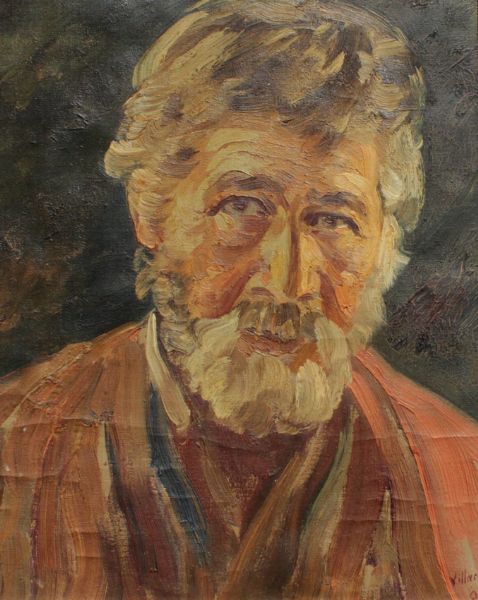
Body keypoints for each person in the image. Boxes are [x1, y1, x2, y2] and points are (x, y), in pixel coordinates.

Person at [0, 1, 476, 598]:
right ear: (151, 212)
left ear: (384, 240)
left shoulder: (459, 475)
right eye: (243, 207)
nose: (290, 281)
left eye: (334, 219)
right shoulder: (18, 440)